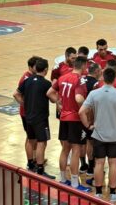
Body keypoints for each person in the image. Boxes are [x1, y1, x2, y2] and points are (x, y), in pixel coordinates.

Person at [79, 66, 116, 202]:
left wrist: (88, 126)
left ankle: (98, 193)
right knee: (113, 163)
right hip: (115, 135)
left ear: (103, 77)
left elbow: (81, 112)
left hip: (99, 135)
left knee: (99, 163)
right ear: (115, 78)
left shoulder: (94, 94)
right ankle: (112, 193)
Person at [47, 56, 91, 192]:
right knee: (76, 150)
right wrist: (86, 108)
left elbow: (49, 93)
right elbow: (79, 99)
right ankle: (75, 184)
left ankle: (63, 179)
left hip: (64, 118)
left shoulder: (63, 77)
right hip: (75, 119)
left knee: (65, 150)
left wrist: (59, 103)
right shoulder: (79, 80)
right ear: (83, 66)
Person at [14, 58, 56, 179]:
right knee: (41, 142)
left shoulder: (28, 80)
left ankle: (30, 164)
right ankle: (40, 170)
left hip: (29, 116)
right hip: (41, 118)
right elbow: (53, 100)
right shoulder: (46, 83)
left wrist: (25, 105)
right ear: (46, 70)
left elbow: (16, 94)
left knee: (30, 139)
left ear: (36, 68)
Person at [15, 56, 42, 172]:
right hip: (27, 114)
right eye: (36, 66)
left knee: (33, 138)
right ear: (31, 67)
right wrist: (25, 105)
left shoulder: (31, 77)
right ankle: (30, 162)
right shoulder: (26, 78)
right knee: (30, 138)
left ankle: (34, 159)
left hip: (29, 113)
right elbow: (16, 94)